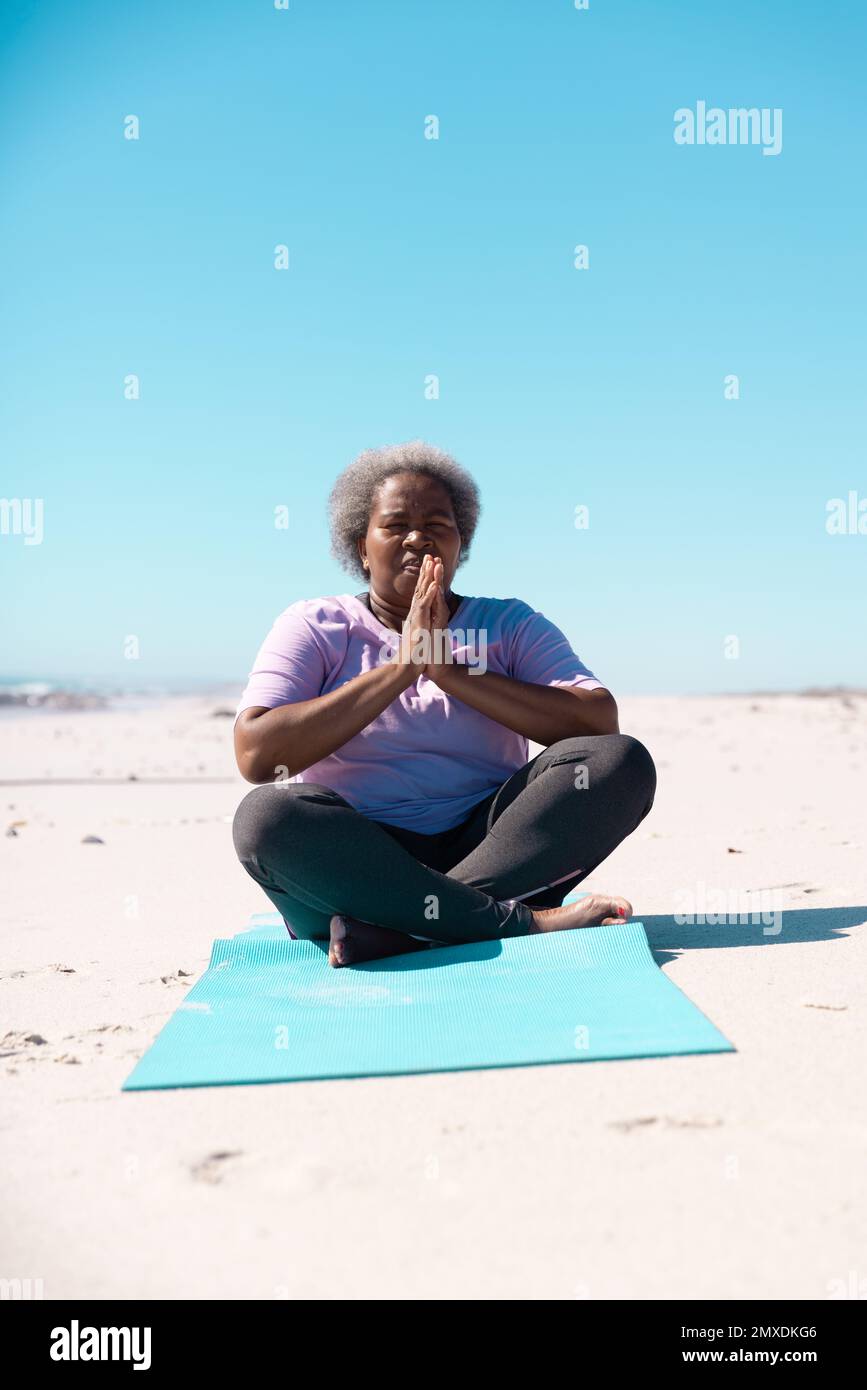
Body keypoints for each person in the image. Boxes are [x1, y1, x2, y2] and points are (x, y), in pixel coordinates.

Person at [232, 440, 656, 967]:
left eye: (438, 524)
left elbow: (596, 721)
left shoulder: (509, 623)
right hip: (359, 866)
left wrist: (448, 671)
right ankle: (514, 921)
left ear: (461, 544)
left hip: (497, 852)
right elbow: (256, 754)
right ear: (361, 547)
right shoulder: (315, 625)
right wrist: (400, 669)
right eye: (395, 524)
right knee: (267, 818)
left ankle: (407, 931)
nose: (418, 537)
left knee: (620, 762)